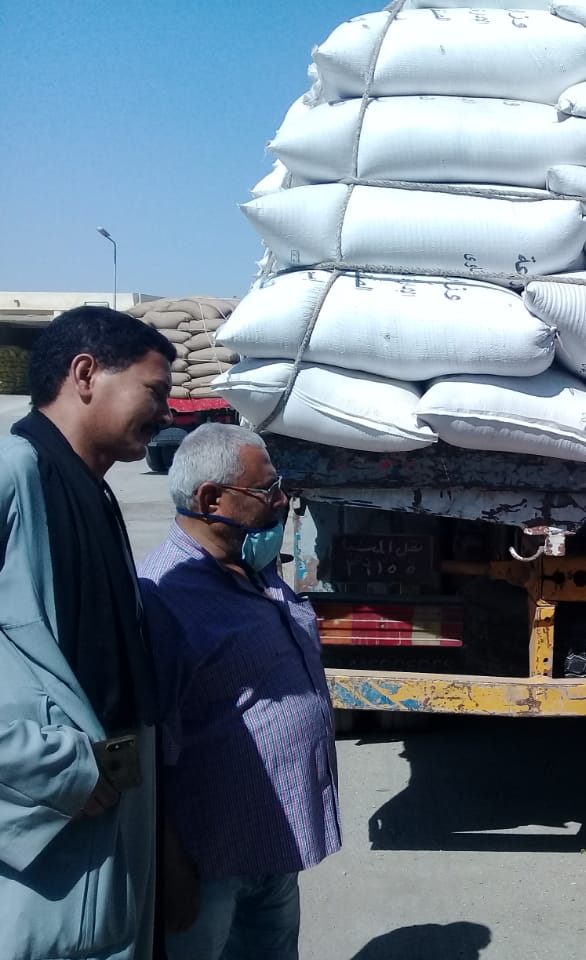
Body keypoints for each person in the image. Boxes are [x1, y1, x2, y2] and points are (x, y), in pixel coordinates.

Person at [0, 306, 175, 959]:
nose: (166, 413)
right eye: (154, 392)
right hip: (42, 831)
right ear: (85, 374)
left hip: (107, 826)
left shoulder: (94, 495)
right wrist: (49, 767)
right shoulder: (14, 476)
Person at [139, 423, 341, 960]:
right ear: (212, 500)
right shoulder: (163, 597)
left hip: (273, 836)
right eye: (267, 490)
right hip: (208, 859)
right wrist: (170, 863)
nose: (281, 501)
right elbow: (147, 747)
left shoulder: (254, 568)